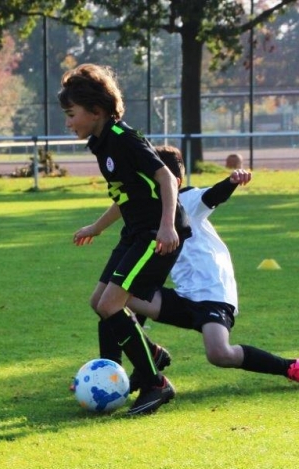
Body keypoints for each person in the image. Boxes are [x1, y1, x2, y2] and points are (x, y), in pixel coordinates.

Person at [126, 145, 299, 391]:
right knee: (119, 297)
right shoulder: (151, 211)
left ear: (172, 181)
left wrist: (231, 182)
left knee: (220, 354)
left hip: (212, 293)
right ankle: (146, 362)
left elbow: (212, 196)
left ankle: (290, 367)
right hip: (184, 295)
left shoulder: (186, 200)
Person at [60, 63, 192, 415]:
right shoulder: (101, 143)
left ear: (96, 111)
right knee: (99, 302)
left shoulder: (123, 138)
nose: (68, 123)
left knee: (110, 305)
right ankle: (127, 366)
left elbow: (167, 179)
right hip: (135, 232)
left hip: (155, 234)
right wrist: (96, 227)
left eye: (71, 114)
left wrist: (167, 226)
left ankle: (155, 383)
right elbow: (127, 195)